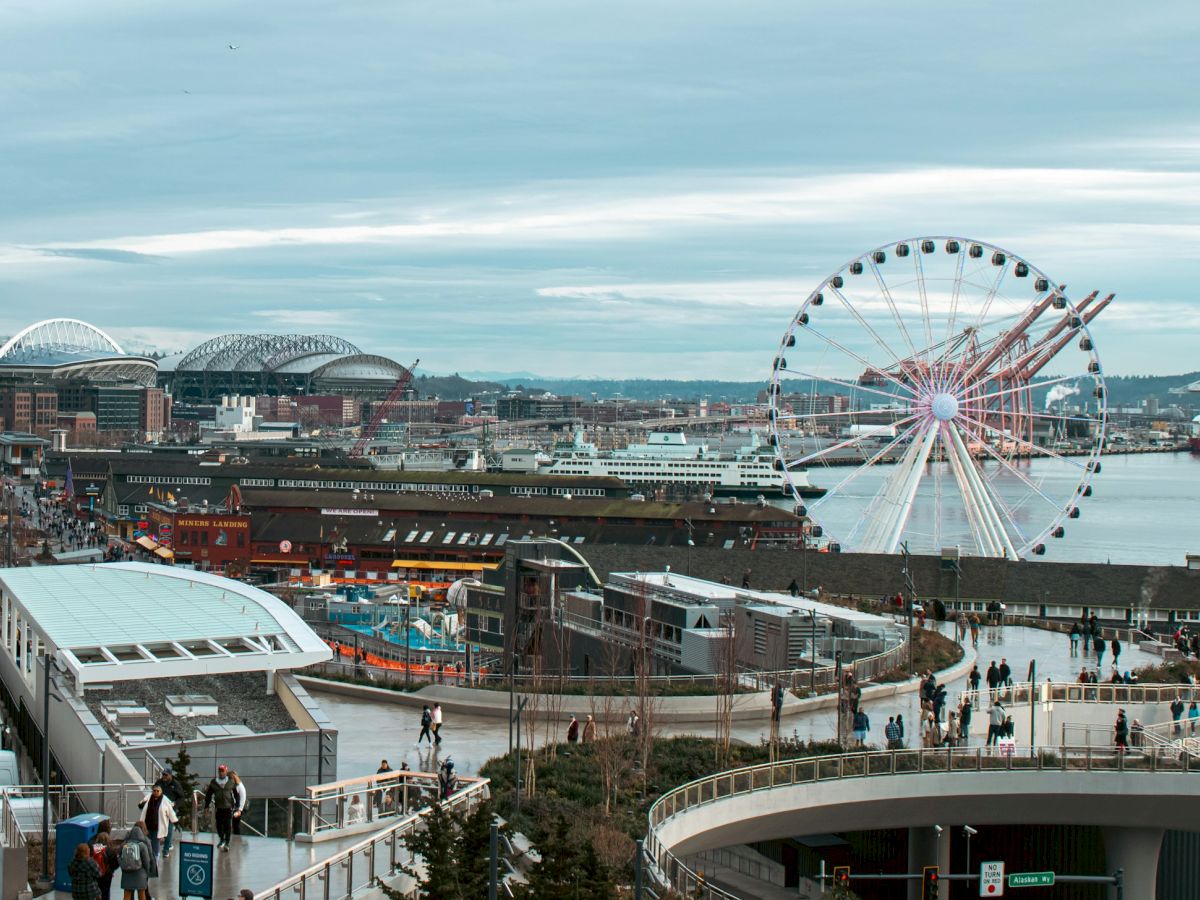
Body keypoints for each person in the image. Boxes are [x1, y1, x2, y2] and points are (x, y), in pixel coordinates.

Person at [136, 784, 178, 860]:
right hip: (147, 826)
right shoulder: (148, 797)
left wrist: (175, 822)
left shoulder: (164, 800)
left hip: (157, 827)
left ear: (161, 792)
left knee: (155, 845)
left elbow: (171, 812)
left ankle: (155, 862)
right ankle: (148, 859)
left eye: (157, 791)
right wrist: (142, 804)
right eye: (154, 791)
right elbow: (140, 805)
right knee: (147, 843)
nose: (155, 792)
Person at [203, 764, 236, 850]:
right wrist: (206, 806)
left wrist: (238, 805)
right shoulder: (214, 782)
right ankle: (222, 839)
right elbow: (209, 795)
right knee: (219, 825)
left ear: (226, 771)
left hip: (228, 807)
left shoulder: (231, 781)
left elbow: (236, 794)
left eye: (223, 771)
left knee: (227, 825)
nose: (221, 773)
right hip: (219, 807)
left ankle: (227, 842)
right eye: (220, 771)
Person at [118, 824, 155, 900]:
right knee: (141, 894)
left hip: (126, 874)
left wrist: (123, 867)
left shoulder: (124, 845)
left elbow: (119, 857)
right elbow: (146, 861)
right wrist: (147, 871)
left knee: (127, 894)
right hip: (140, 874)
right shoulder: (142, 845)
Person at [151, 769, 182, 858]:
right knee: (159, 827)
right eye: (163, 774)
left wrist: (175, 805)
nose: (164, 776)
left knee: (168, 828)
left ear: (170, 775)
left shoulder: (175, 784)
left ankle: (165, 850)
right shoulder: (159, 782)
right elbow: (154, 792)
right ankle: (167, 844)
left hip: (170, 809)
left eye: (166, 775)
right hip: (159, 809)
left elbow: (181, 796)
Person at [92, 833, 116, 900]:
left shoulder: (94, 849)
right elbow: (115, 864)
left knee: (97, 891)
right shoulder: (110, 850)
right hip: (107, 874)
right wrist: (111, 870)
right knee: (106, 891)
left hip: (96, 874)